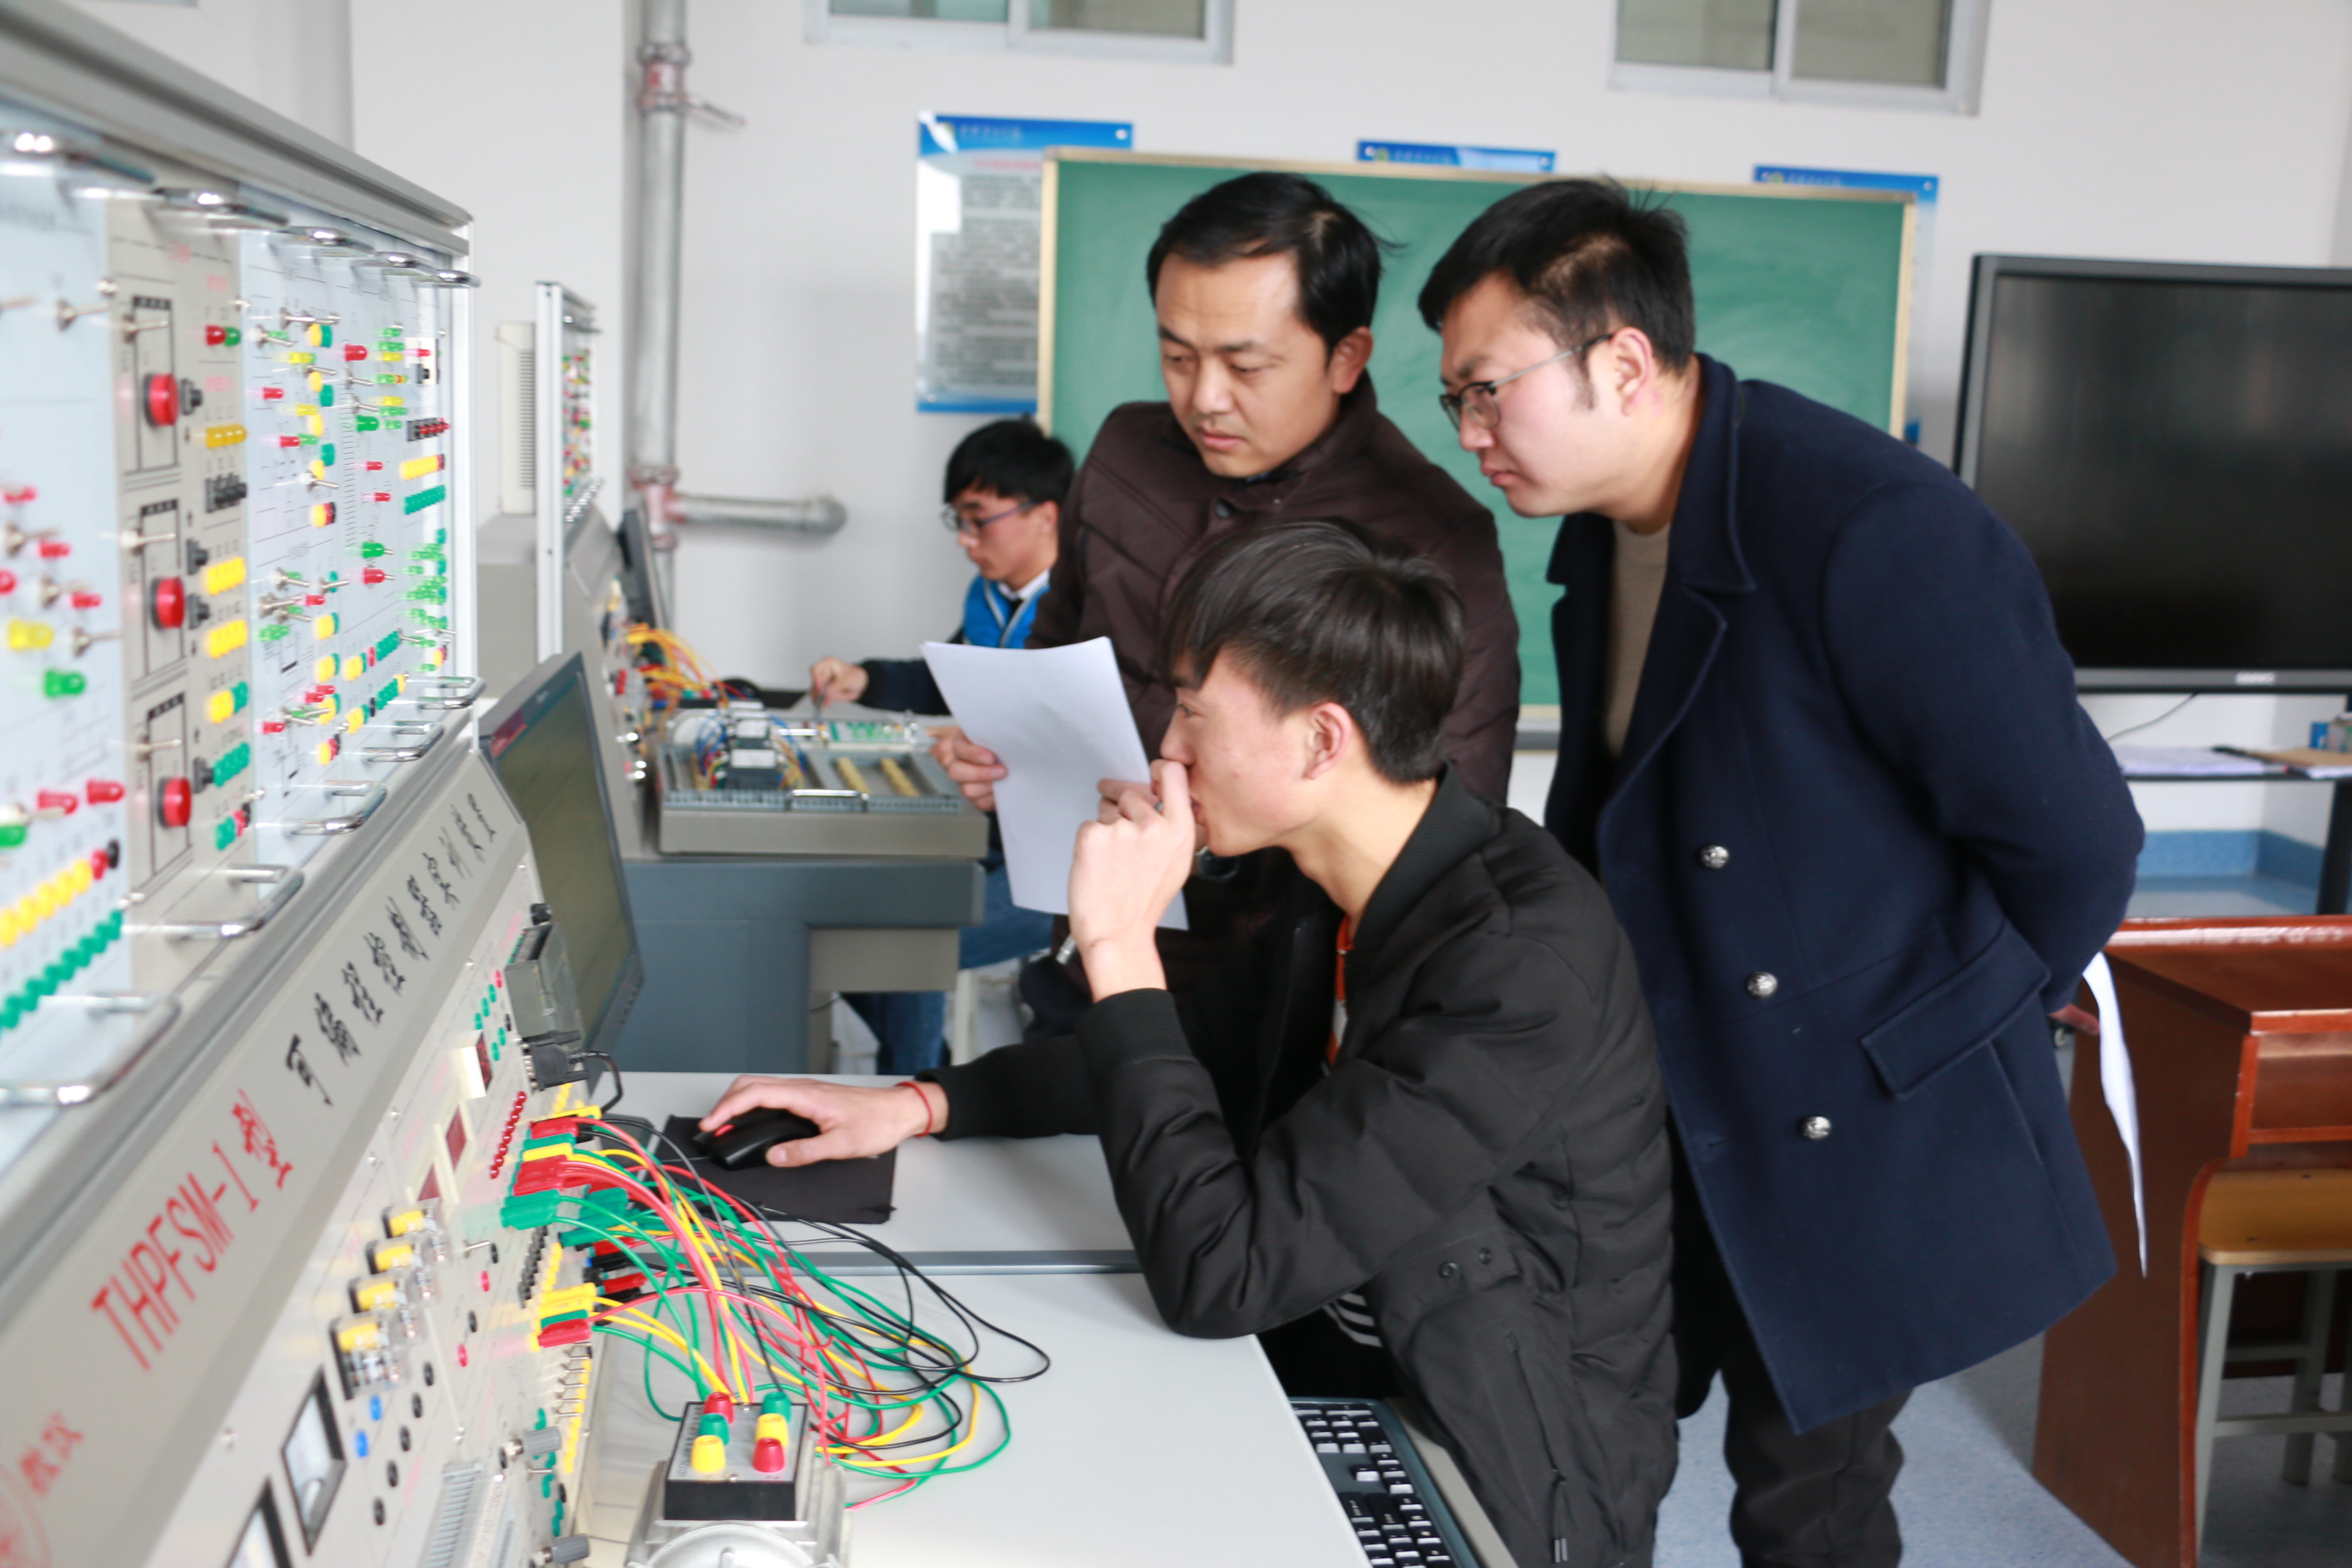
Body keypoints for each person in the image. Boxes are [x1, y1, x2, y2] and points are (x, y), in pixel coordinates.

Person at [703, 521, 1676, 1568]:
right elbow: (1191, 1048)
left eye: (1194, 714)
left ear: (1321, 741)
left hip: (1496, 1465)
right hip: (1333, 1364)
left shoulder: (1516, 964)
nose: (1166, 749)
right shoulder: (1346, 887)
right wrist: (922, 1103)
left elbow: (1222, 1275)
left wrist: (1119, 945)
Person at [1418, 180, 2144, 1567]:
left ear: (1623, 361)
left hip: (1846, 1118)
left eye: (1488, 390)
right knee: (1576, 1433)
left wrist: (1924, 1044)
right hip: (1666, 1093)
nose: (1468, 433)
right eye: (1454, 397)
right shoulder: (1602, 532)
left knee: (1807, 1497)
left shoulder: (1870, 525)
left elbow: (2078, 843)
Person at [933, 171, 1520, 1008]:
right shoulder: (1126, 452)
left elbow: (1447, 820)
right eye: (1177, 357)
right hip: (1090, 951)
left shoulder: (1430, 536)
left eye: (1247, 366)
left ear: (1346, 356)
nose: (1204, 399)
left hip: (1272, 1004)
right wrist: (1004, 752)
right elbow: (1052, 657)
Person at [805, 418, 1069, 1073]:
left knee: (912, 935)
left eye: (980, 519)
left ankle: (915, 1086)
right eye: (959, 519)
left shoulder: (1084, 611)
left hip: (1057, 862)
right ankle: (927, 1065)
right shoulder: (992, 596)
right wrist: (864, 678)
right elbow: (950, 678)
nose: (965, 539)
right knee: (839, 916)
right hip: (983, 833)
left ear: (1045, 515)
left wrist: (996, 741)